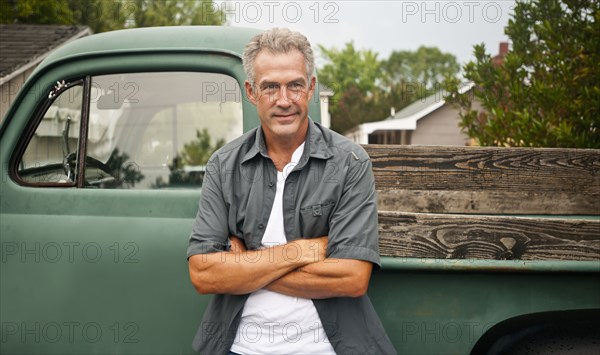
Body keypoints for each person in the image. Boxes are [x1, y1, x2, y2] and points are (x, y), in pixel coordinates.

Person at [187, 28, 396, 355]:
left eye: (295, 85)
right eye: (270, 87)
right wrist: (299, 251)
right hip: (240, 348)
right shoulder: (224, 166)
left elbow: (352, 278)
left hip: (324, 348)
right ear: (251, 92)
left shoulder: (349, 163)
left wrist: (244, 265)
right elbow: (204, 274)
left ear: (311, 88)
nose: (284, 100)